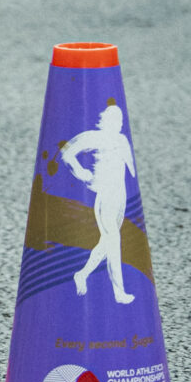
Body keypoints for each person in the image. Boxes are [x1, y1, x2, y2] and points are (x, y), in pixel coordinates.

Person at [61, 102, 137, 303]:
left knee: (106, 242)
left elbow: (132, 171)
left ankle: (82, 274)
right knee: (113, 240)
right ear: (105, 120)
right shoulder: (96, 137)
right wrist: (80, 171)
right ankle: (119, 292)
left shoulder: (122, 140)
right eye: (114, 119)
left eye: (121, 120)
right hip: (105, 196)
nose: (119, 123)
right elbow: (67, 151)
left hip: (121, 195)